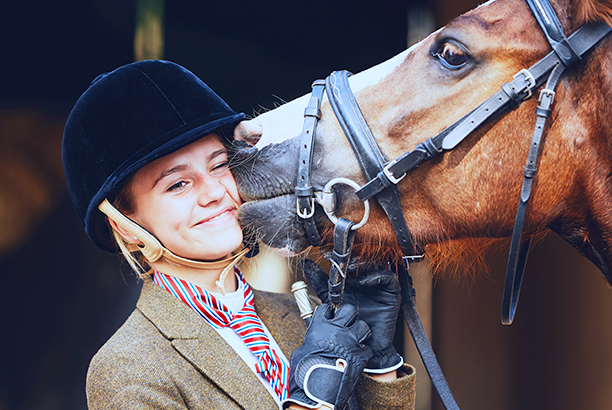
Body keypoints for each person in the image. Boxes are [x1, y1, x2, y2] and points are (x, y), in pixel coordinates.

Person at [62, 59, 416, 409]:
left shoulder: (300, 315)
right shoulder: (126, 368)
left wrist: (378, 365)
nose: (213, 192)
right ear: (124, 223)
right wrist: (310, 401)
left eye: (219, 165)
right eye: (178, 184)